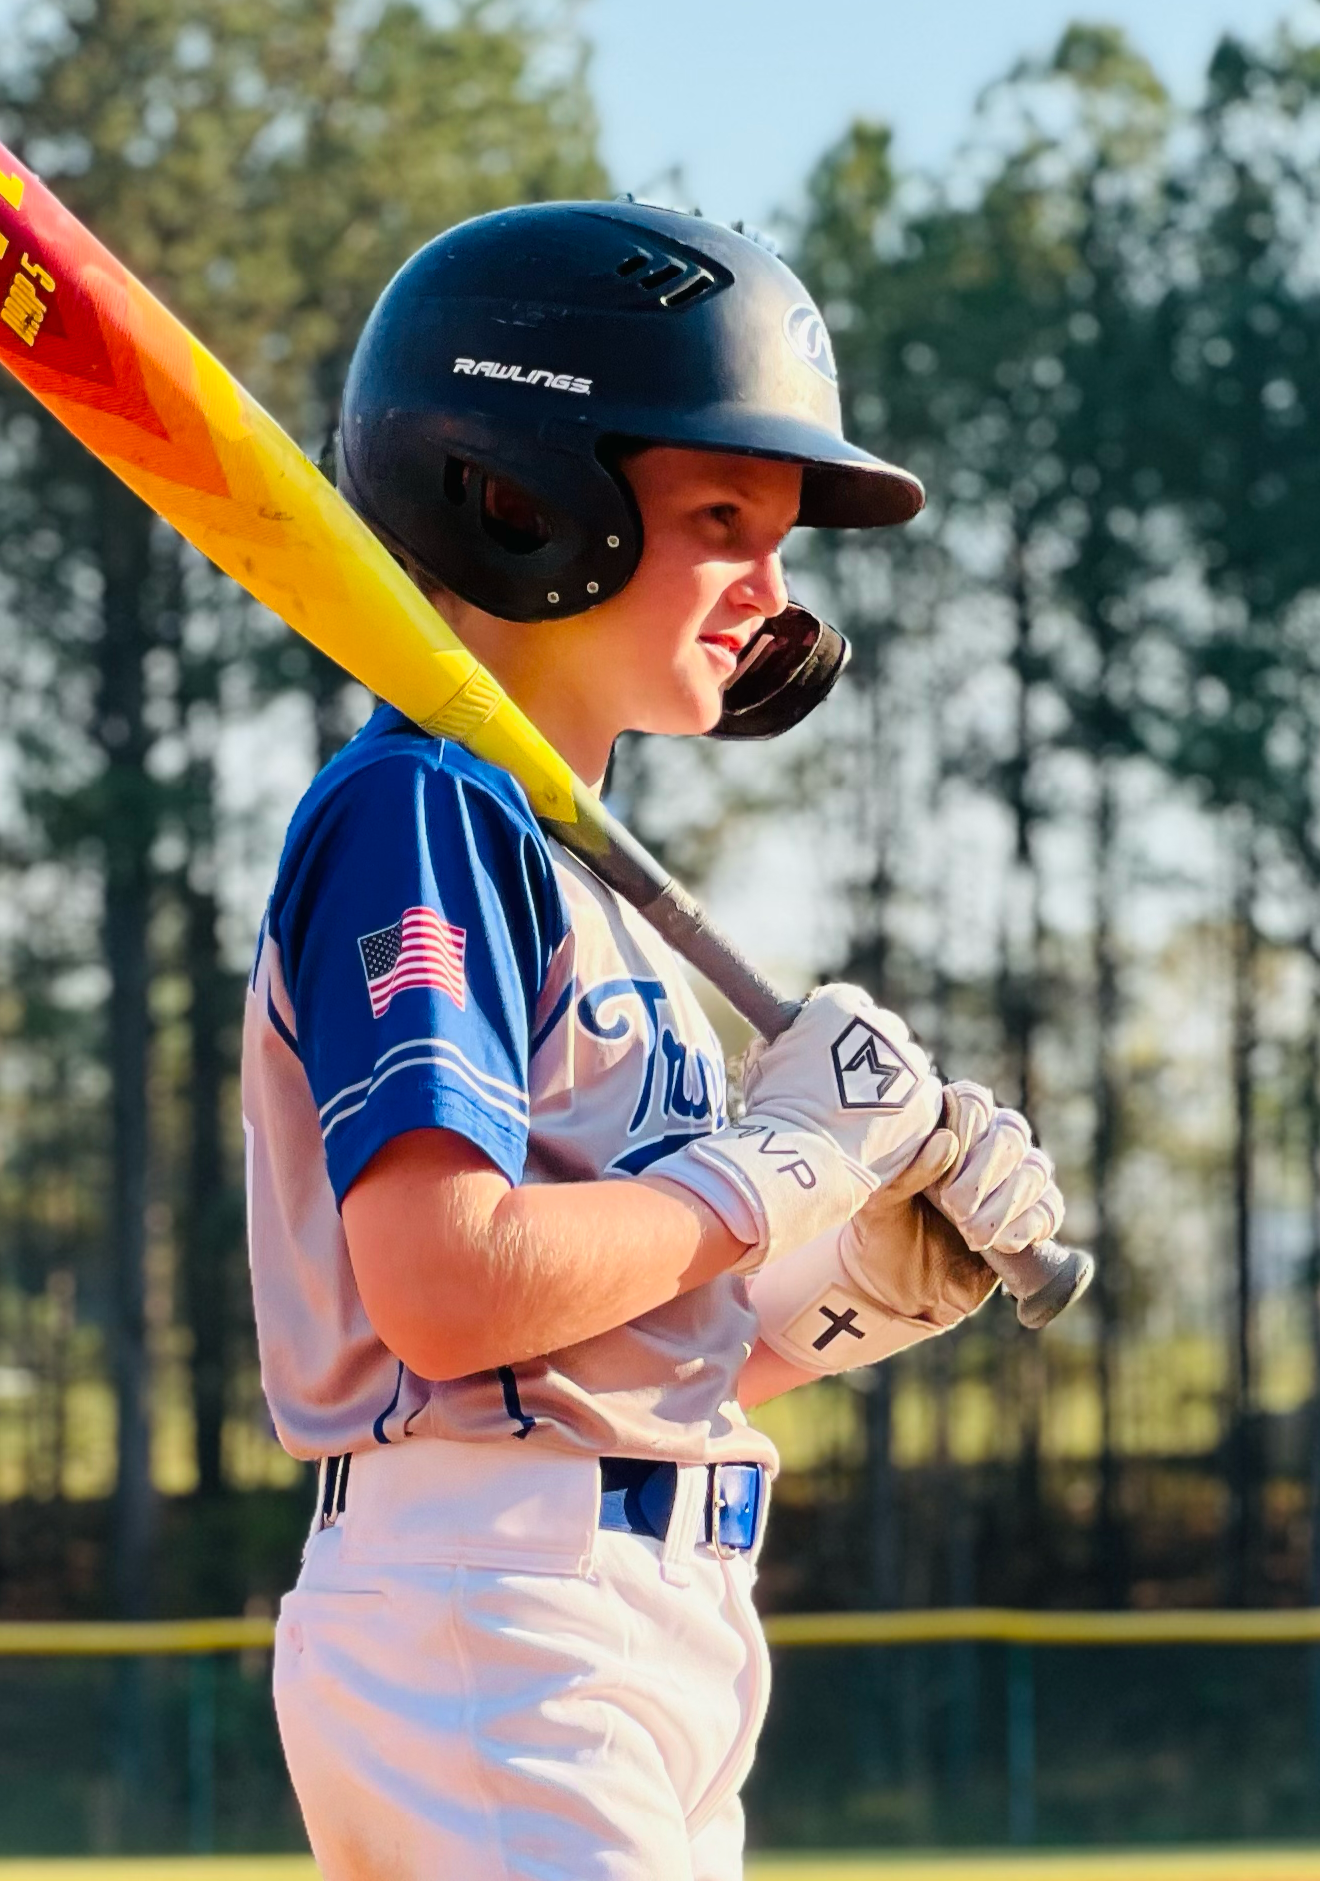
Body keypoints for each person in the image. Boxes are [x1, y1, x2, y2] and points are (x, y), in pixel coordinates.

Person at [242, 201, 1072, 1881]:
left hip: (626, 1621)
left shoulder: (590, 880)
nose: (772, 592)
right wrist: (777, 1164)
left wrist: (848, 1288)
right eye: (721, 517)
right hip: (500, 1618)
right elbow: (443, 1287)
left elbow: (582, 1353)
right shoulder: (421, 811)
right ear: (517, 495)